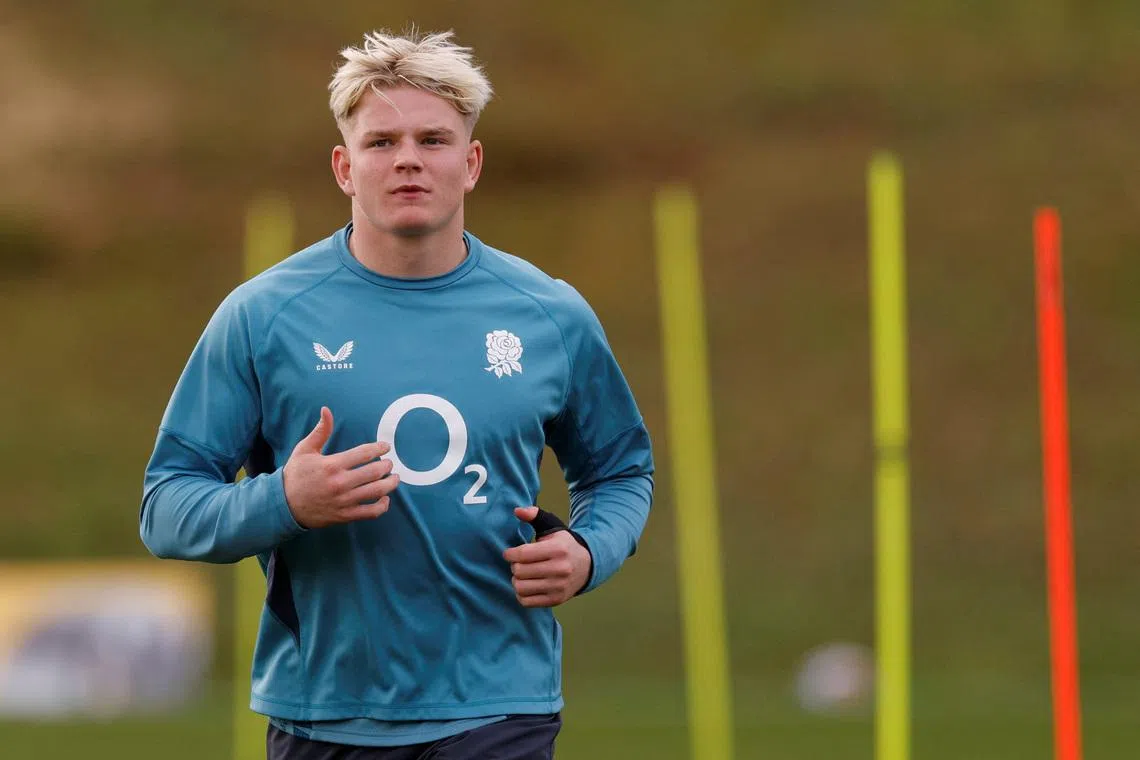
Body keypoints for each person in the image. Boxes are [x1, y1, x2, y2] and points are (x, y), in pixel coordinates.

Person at [139, 28, 654, 760]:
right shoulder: (263, 317)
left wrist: (588, 551)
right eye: (382, 142)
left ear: (470, 163)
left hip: (498, 711)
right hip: (324, 718)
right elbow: (166, 506)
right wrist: (285, 501)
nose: (408, 158)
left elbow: (620, 470)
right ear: (345, 167)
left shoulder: (550, 315)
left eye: (433, 140)